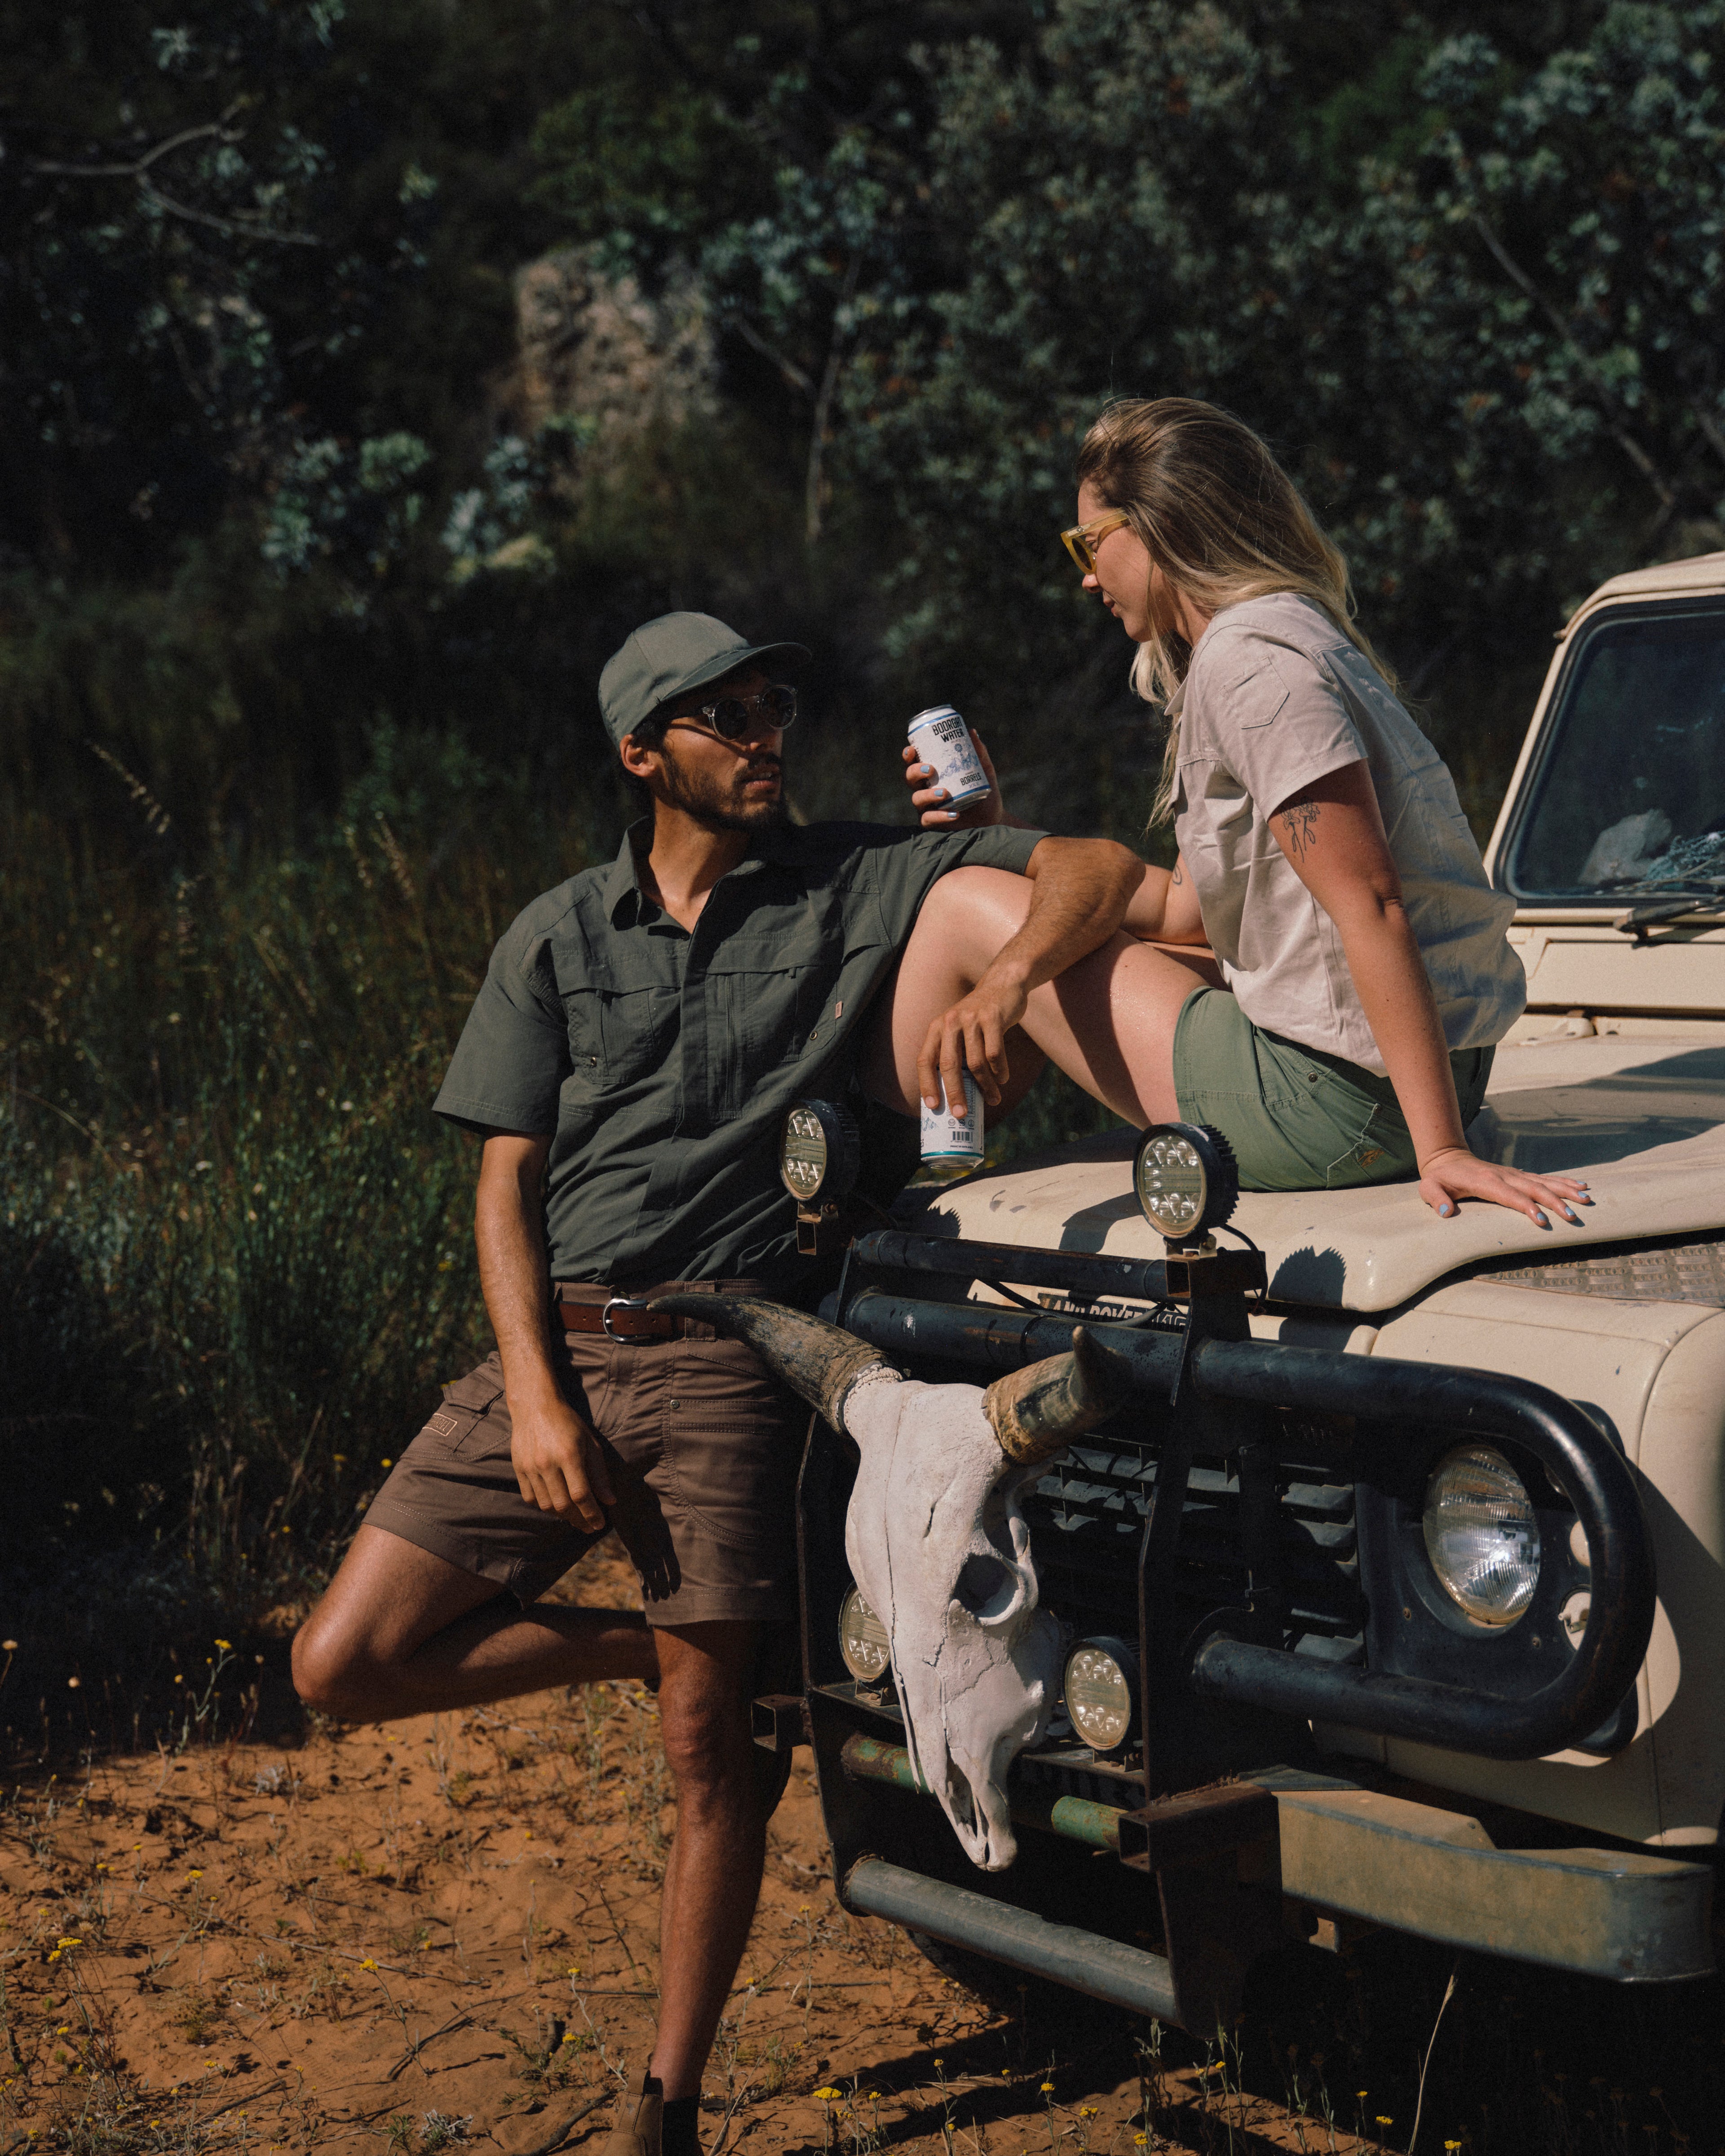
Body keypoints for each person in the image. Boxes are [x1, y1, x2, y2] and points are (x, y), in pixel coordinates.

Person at [290, 610, 1143, 2156]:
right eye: (724, 714)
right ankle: (654, 1651)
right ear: (642, 754)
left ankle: (664, 2104)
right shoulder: (557, 933)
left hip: (736, 1361)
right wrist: (537, 1397)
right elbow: (504, 1188)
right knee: (340, 1662)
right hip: (559, 1349)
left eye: (774, 706)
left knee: (710, 1757)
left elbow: (1092, 864)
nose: (765, 735)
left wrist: (1011, 971)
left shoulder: (859, 877)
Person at [874, 396, 1591, 1231]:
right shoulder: (1286, 636)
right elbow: (1187, 910)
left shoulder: (1252, 671)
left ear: (1160, 527)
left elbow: (1372, 901)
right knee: (1010, 906)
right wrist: (999, 839)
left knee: (962, 911)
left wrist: (1442, 1152)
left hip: (1347, 1104)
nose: (1083, 573)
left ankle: (866, 1184)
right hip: (1396, 1081)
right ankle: (901, 1167)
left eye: (1090, 543)